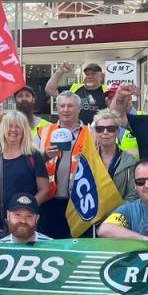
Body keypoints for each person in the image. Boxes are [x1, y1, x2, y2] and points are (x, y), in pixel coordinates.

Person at [0, 111, 49, 241]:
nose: (13, 130)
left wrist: (25, 213)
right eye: (9, 126)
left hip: (23, 226)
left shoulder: (33, 156)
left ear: (24, 130)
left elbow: (44, 190)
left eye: (18, 126)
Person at [38, 91, 92, 238]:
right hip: (49, 200)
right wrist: (44, 156)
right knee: (49, 244)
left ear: (79, 109)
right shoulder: (43, 131)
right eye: (62, 106)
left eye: (70, 106)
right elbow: (32, 164)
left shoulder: (91, 132)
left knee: (77, 246)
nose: (66, 110)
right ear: (57, 108)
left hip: (79, 201)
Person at [93, 109, 137, 202]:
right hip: (91, 214)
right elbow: (75, 188)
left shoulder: (130, 162)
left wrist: (116, 213)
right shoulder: (86, 159)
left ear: (117, 132)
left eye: (111, 129)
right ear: (96, 132)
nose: (105, 132)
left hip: (119, 213)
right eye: (100, 129)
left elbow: (133, 194)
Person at [104, 84, 139, 157]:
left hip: (137, 166)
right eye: (111, 97)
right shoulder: (99, 122)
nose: (114, 100)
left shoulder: (143, 119)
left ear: (129, 98)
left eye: (120, 97)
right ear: (107, 101)